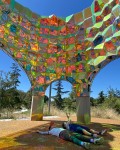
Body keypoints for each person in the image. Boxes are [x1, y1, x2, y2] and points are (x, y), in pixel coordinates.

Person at [37, 121, 104, 150]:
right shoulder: (50, 132)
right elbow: (43, 133)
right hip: (61, 134)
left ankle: (94, 140)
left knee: (78, 135)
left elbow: (67, 125)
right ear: (50, 129)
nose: (52, 127)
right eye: (51, 127)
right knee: (72, 138)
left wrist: (51, 125)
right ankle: (83, 144)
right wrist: (39, 131)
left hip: (66, 131)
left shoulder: (57, 128)